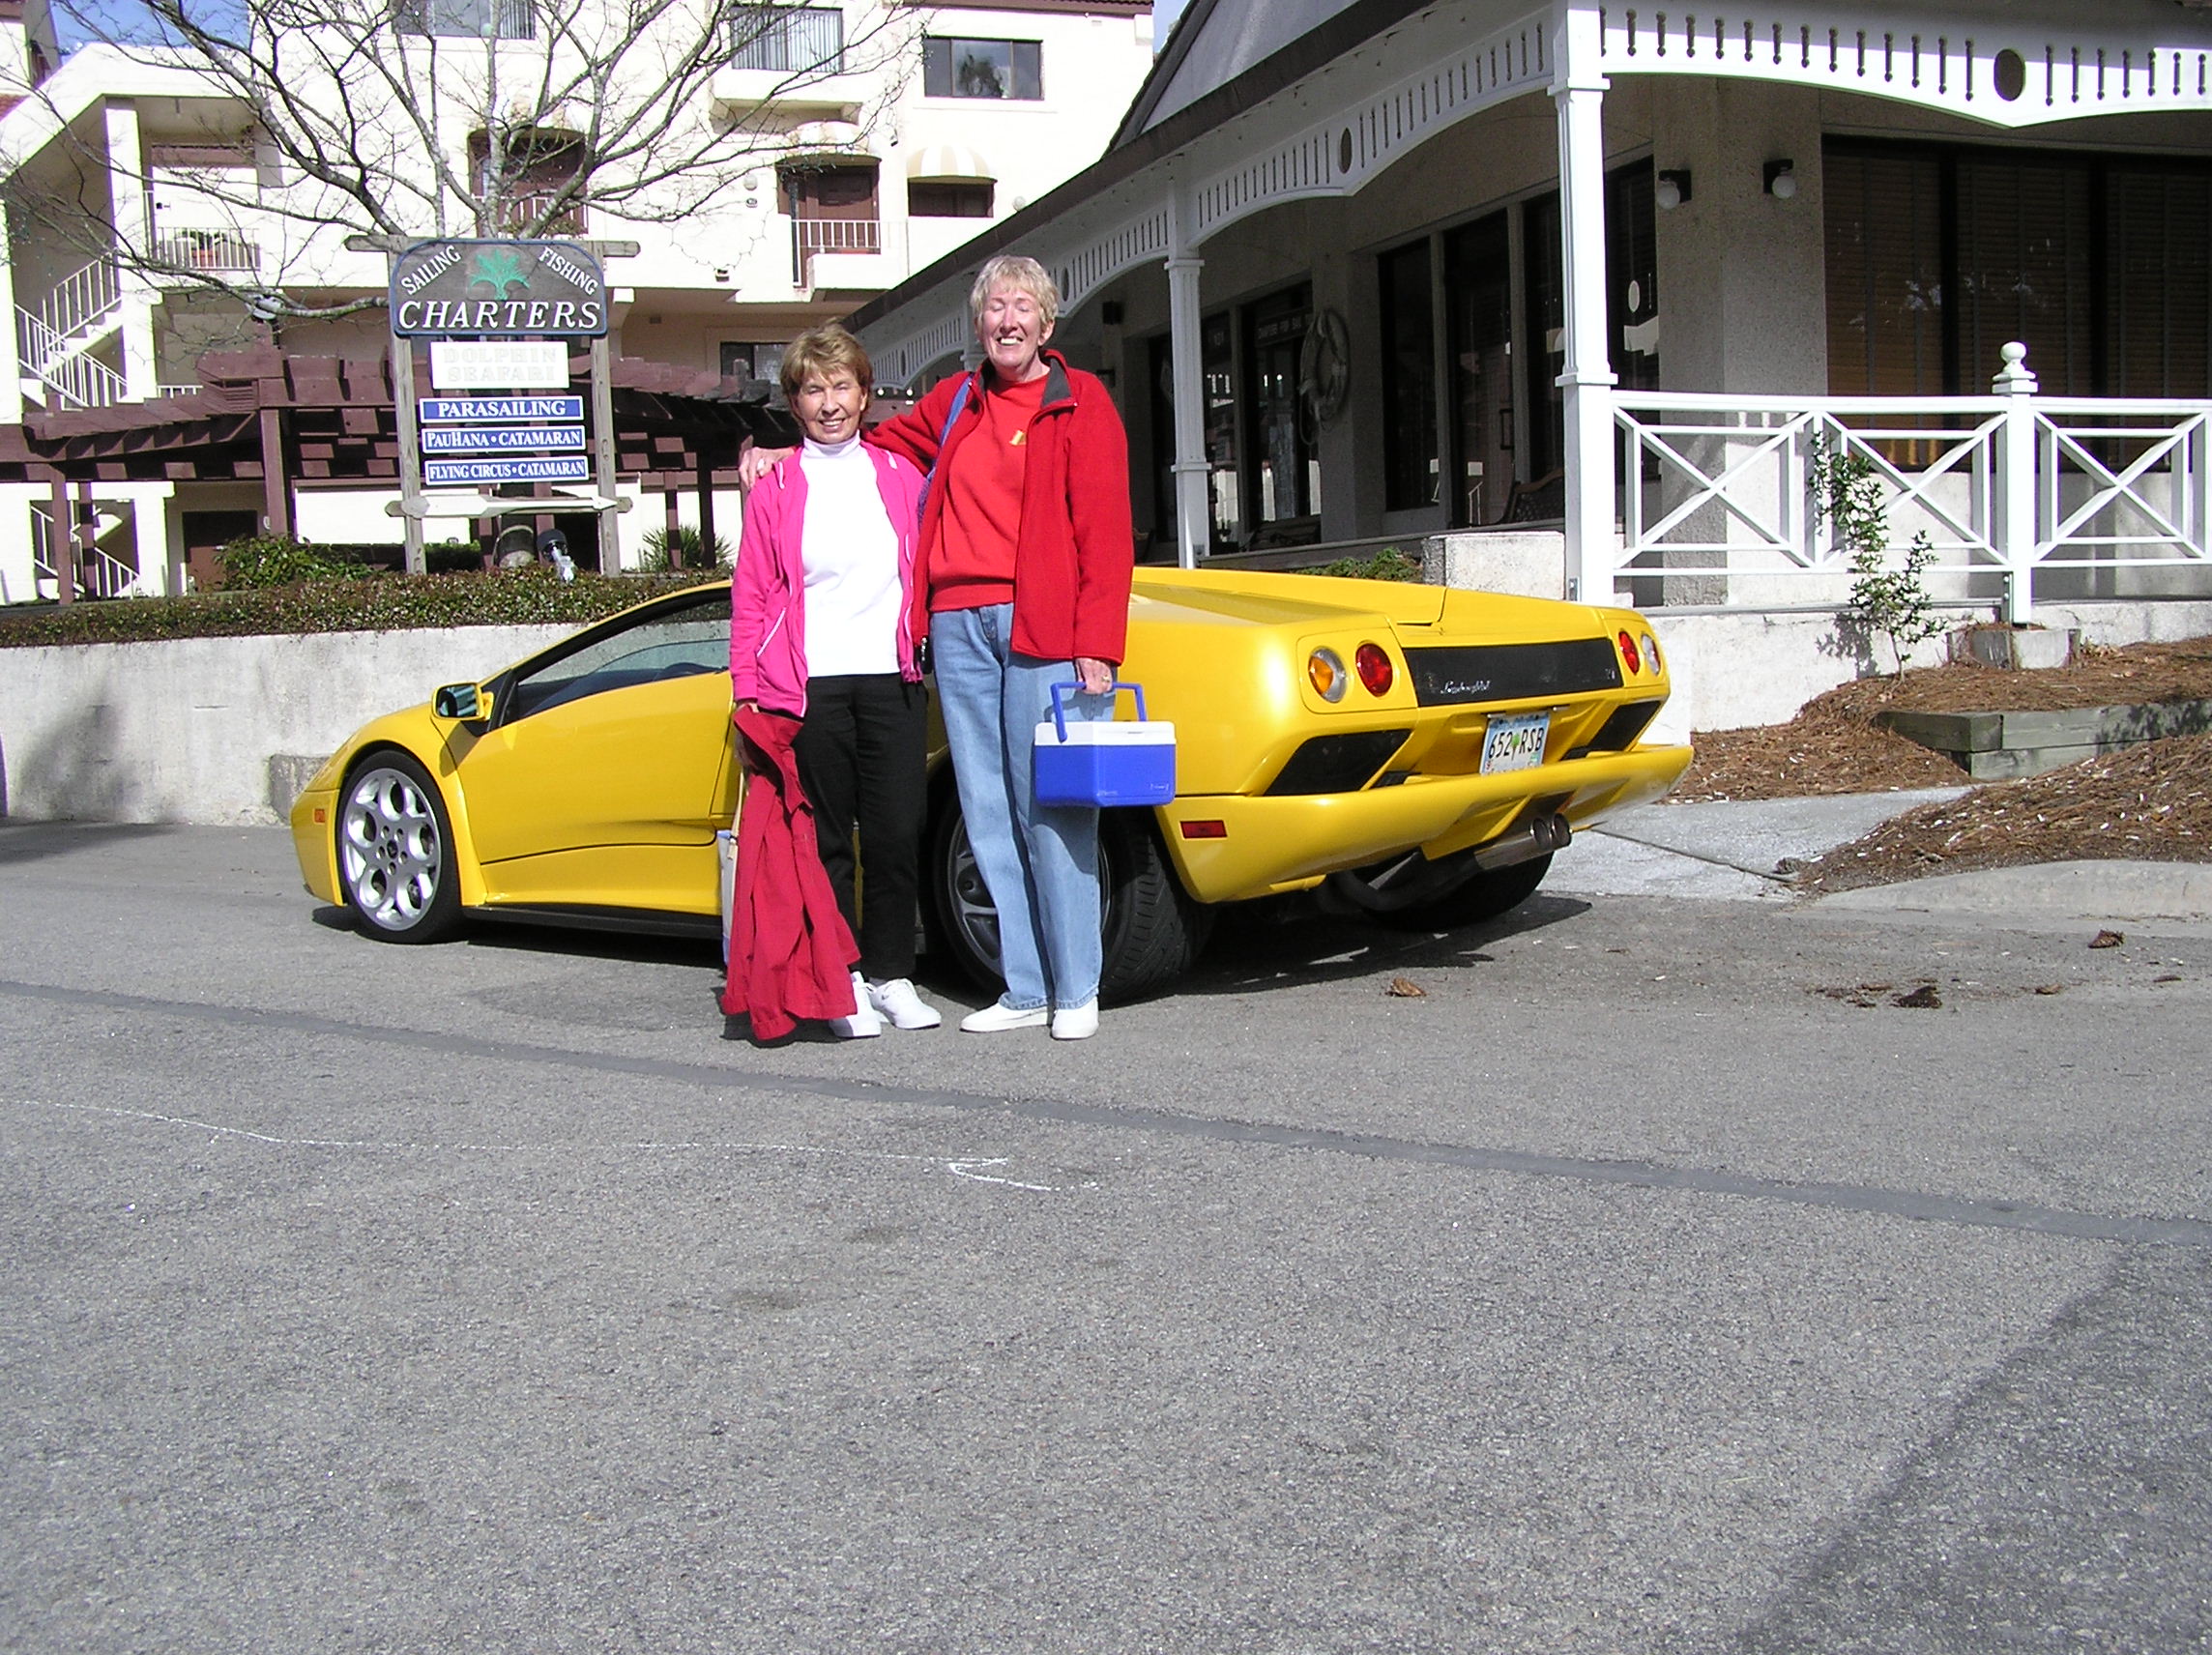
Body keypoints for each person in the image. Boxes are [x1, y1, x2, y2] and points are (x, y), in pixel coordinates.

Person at [866, 254, 1135, 1040]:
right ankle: (1023, 987)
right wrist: (787, 456)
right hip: (957, 623)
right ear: (978, 323)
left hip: (1042, 624)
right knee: (985, 809)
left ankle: (1076, 987)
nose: (1007, 321)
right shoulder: (956, 401)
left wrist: (1098, 642)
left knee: (1052, 807)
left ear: (1046, 324)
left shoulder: (1078, 401)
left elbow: (1105, 532)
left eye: (1023, 307)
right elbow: (869, 445)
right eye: (995, 308)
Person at [728, 324, 941, 1037]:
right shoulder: (775, 486)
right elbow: (752, 595)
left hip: (892, 676)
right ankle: (839, 978)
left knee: (896, 831)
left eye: (842, 386)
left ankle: (891, 974)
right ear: (794, 402)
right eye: (813, 390)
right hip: (809, 684)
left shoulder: (900, 475)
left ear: (865, 394)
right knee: (824, 841)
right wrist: (746, 689)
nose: (829, 403)